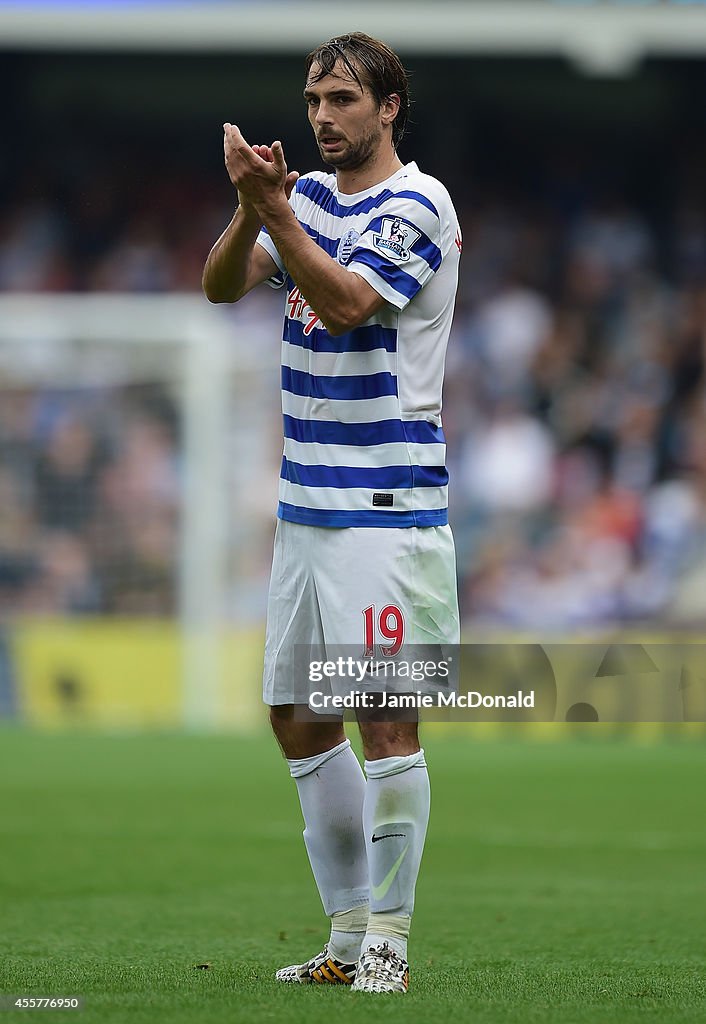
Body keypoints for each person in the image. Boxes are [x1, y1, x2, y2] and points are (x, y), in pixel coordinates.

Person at [203, 31, 461, 995]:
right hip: (306, 509)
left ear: (389, 106)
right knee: (299, 721)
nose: (322, 116)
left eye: (344, 99)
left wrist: (277, 211)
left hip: (385, 512)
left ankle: (389, 943)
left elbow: (350, 301)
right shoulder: (302, 197)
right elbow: (220, 284)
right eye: (314, 98)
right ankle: (347, 937)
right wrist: (251, 206)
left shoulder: (419, 203)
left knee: (385, 719)